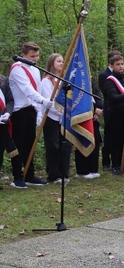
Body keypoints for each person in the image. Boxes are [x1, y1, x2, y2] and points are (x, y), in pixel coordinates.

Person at [8, 42, 51, 188]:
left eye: (37, 56)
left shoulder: (35, 70)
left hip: (31, 110)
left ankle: (29, 175)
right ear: (23, 55)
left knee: (30, 144)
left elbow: (37, 90)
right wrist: (44, 101)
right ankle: (17, 176)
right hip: (19, 111)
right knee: (18, 144)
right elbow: (27, 89)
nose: (35, 59)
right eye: (32, 56)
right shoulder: (17, 69)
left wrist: (39, 111)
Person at [40, 53, 73, 184]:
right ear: (51, 63)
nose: (61, 63)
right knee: (53, 146)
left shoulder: (64, 80)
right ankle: (53, 175)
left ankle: (64, 173)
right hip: (52, 117)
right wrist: (60, 112)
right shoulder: (46, 81)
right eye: (58, 61)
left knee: (65, 145)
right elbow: (50, 101)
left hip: (64, 117)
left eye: (62, 61)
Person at [101, 53, 124, 176]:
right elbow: (112, 97)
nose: (120, 67)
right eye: (117, 64)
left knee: (123, 140)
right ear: (111, 66)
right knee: (115, 140)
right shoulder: (109, 80)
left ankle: (122, 163)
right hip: (114, 114)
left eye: (122, 64)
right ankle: (115, 164)